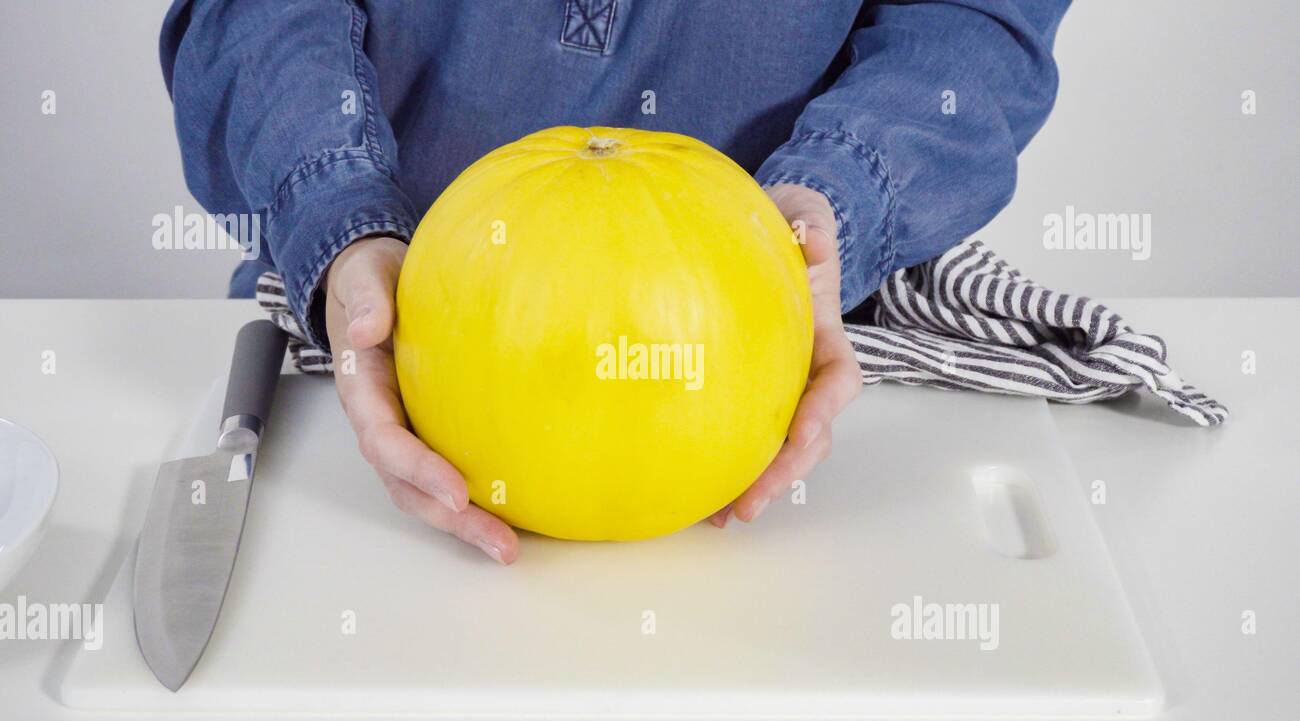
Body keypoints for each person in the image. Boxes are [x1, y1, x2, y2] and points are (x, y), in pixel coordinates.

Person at [161, 0, 1069, 564]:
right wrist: (336, 204)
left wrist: (836, 198)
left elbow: (977, 21)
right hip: (345, 345)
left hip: (783, 321)